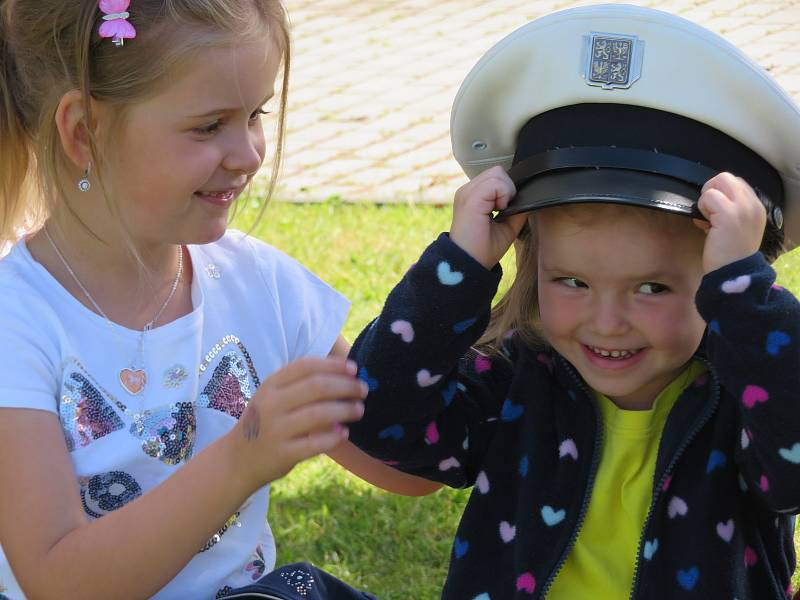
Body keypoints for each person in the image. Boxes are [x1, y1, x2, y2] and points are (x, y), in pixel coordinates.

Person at [346, 4, 800, 598]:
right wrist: (456, 269)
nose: (606, 323)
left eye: (652, 287)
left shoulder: (744, 398)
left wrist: (745, 296)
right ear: (532, 266)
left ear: (719, 279)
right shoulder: (514, 381)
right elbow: (379, 418)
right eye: (572, 283)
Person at [0, 1, 439, 599]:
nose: (250, 153)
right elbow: (59, 581)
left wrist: (466, 277)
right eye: (209, 126)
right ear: (84, 132)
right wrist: (241, 459)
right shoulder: (16, 323)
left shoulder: (260, 286)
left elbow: (405, 466)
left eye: (255, 114)